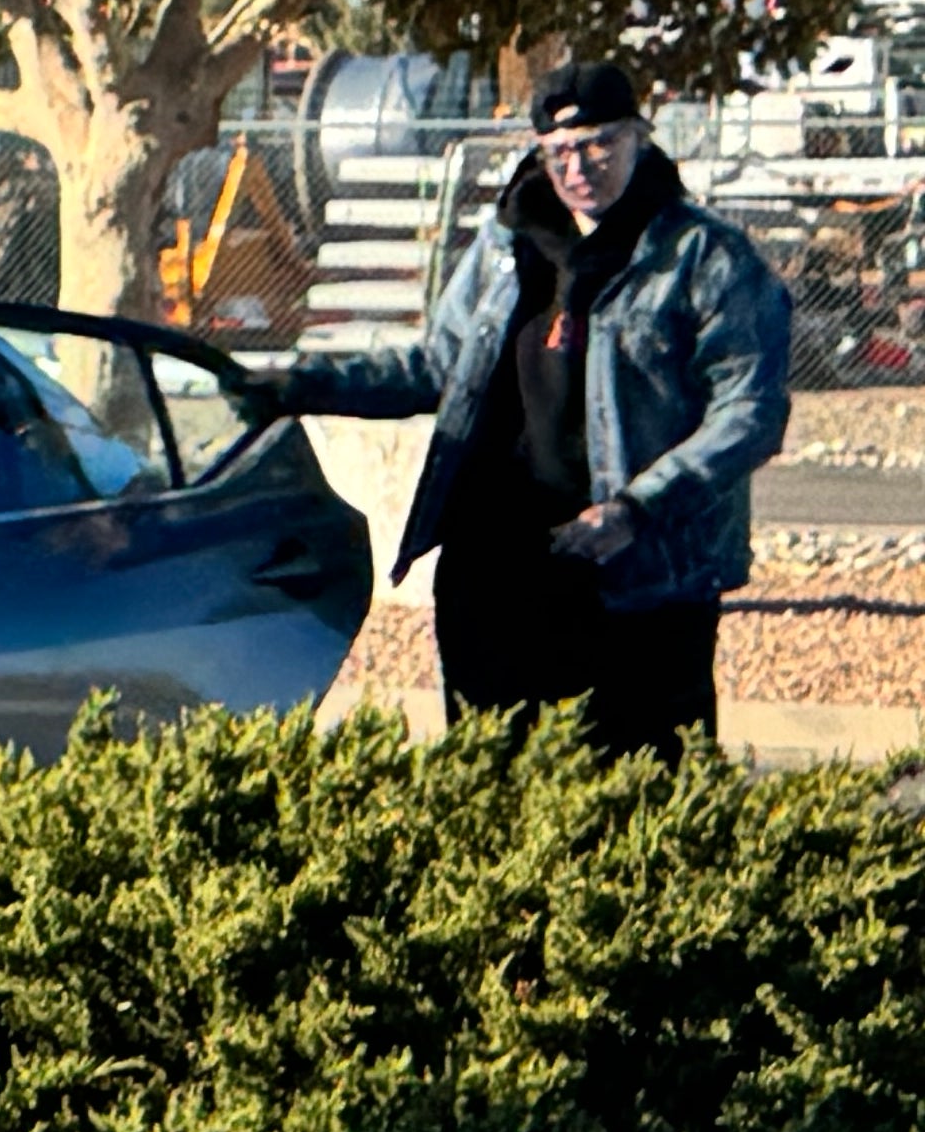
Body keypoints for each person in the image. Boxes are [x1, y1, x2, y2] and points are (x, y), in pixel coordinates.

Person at [284, 56, 790, 755]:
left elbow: (750, 411)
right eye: (558, 151)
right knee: (492, 775)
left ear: (640, 136)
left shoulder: (707, 258)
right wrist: (301, 385)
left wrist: (636, 509)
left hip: (638, 574)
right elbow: (439, 365)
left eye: (598, 143)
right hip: (494, 565)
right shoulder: (506, 247)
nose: (579, 165)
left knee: (639, 783)